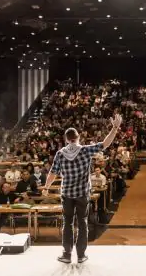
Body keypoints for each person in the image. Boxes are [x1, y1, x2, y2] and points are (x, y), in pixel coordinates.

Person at [43, 113, 123, 264]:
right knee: (83, 222)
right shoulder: (85, 150)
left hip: (66, 194)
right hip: (82, 194)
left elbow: (52, 173)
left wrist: (46, 187)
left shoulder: (60, 154)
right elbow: (105, 144)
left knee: (67, 223)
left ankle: (67, 255)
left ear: (66, 139)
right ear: (78, 137)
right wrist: (115, 128)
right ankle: (81, 255)